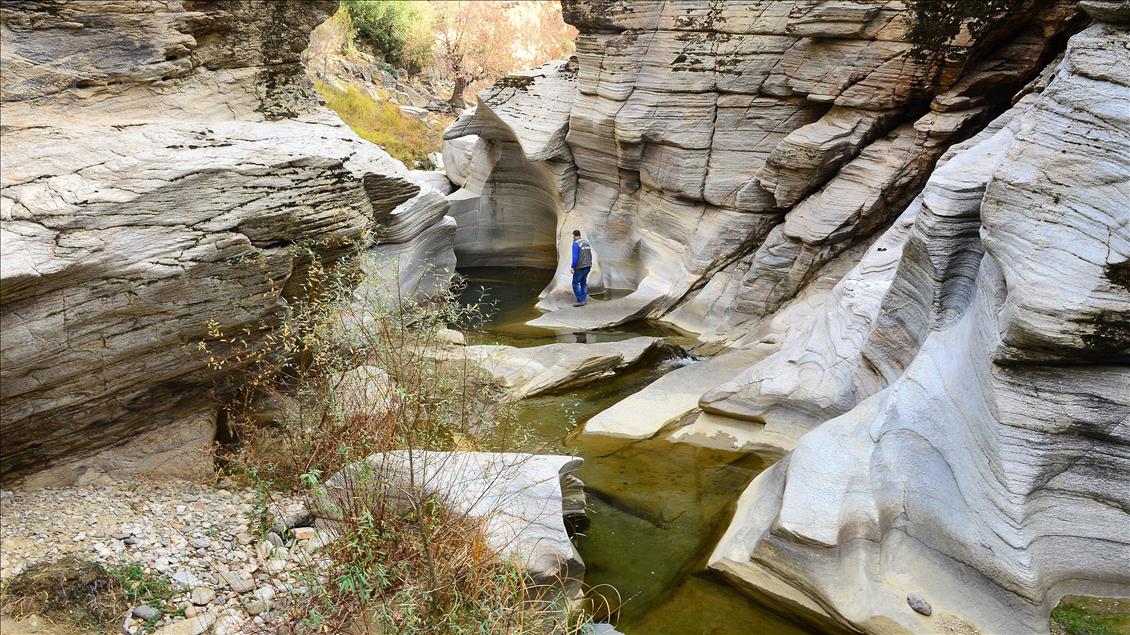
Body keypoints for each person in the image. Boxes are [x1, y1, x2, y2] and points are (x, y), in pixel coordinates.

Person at [570, 229, 593, 307]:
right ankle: (584, 299)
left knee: (575, 283)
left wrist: (573, 266)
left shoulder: (576, 244)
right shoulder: (586, 242)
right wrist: (590, 264)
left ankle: (580, 301)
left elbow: (575, 257)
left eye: (572, 235)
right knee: (583, 283)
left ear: (574, 235)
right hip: (588, 265)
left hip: (580, 267)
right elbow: (590, 254)